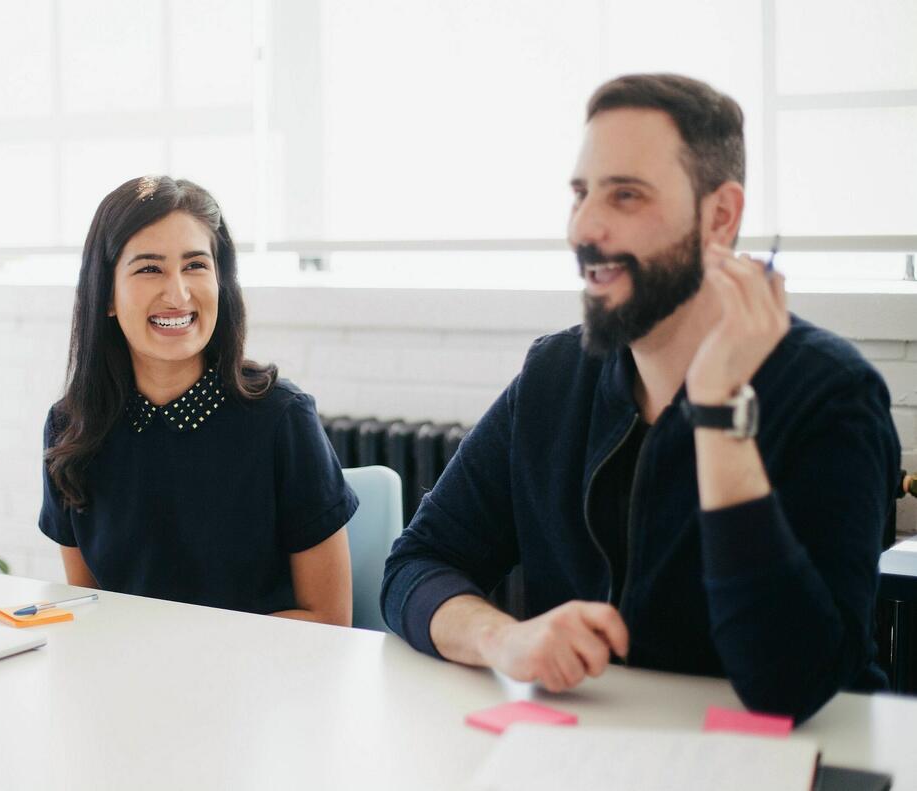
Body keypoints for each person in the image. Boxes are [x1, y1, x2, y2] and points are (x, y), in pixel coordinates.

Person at [381, 74, 900, 722]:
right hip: (590, 746)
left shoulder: (834, 396)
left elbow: (790, 684)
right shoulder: (555, 375)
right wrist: (503, 636)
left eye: (626, 195)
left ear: (719, 216)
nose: (585, 226)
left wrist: (718, 410)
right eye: (581, 193)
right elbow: (416, 565)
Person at [40, 176, 357, 626]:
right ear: (106, 294)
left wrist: (182, 656)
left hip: (264, 681)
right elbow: (90, 609)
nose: (178, 294)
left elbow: (329, 619)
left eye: (195, 266)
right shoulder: (71, 427)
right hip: (128, 680)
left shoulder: (280, 418)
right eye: (149, 268)